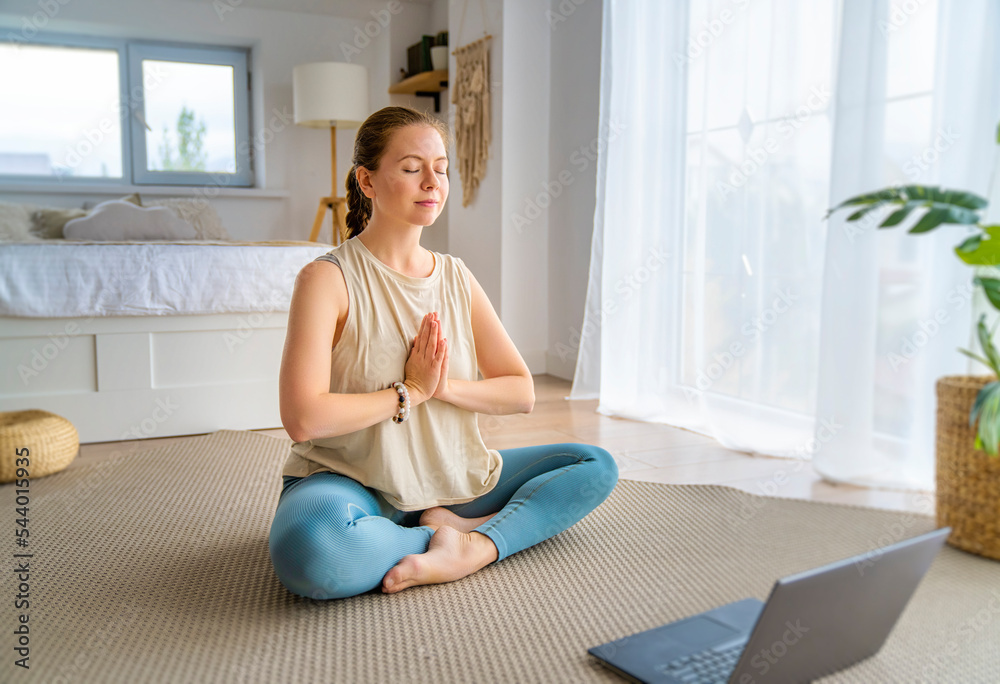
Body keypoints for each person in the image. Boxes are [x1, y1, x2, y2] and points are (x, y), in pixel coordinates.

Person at [268, 106, 619, 600]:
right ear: (366, 182)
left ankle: (474, 546)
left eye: (442, 168)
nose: (432, 181)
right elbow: (303, 419)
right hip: (354, 485)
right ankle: (438, 535)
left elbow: (521, 392)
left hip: (455, 479)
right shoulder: (327, 279)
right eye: (412, 168)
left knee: (594, 465)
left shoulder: (456, 277)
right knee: (314, 554)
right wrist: (409, 391)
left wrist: (441, 386)